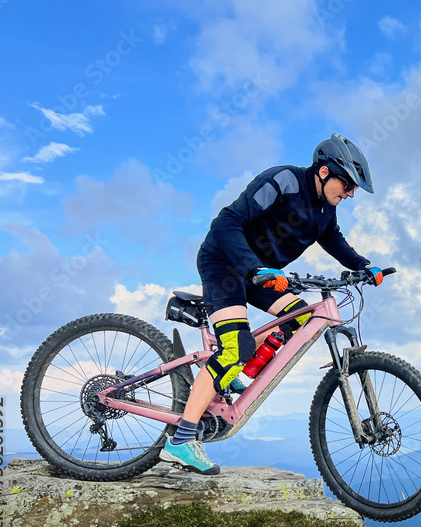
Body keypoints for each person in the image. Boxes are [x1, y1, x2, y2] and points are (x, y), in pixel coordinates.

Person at [159, 133, 382, 475]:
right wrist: (254, 268)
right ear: (323, 172)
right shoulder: (284, 181)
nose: (350, 193)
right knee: (233, 348)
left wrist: (363, 266)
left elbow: (333, 239)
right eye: (348, 184)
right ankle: (180, 441)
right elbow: (226, 223)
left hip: (261, 274)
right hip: (227, 265)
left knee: (301, 322)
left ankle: (233, 372)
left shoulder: (325, 208)